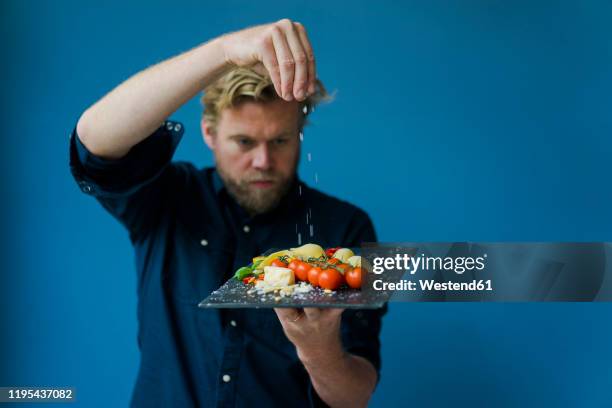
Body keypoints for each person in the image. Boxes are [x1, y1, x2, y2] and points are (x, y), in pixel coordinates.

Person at [69, 19, 386, 408]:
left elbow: (354, 396)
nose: (263, 160)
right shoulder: (168, 198)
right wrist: (222, 51)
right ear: (209, 133)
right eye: (244, 141)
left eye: (281, 140)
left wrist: (317, 349)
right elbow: (94, 141)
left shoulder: (346, 227)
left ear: (300, 131)